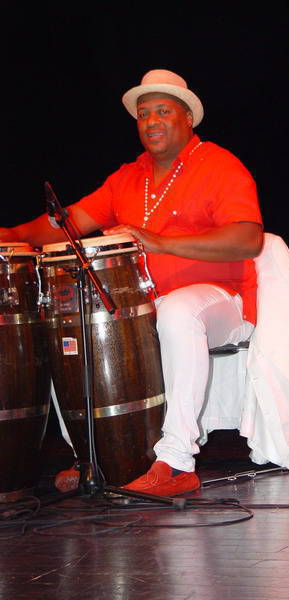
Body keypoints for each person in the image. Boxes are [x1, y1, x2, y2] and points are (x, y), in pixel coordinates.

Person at [0, 69, 264, 496]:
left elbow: (248, 239)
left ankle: (176, 461)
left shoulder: (218, 165)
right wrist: (11, 234)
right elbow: (67, 223)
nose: (151, 121)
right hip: (147, 306)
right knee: (74, 324)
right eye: (143, 114)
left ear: (187, 118)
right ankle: (90, 456)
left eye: (163, 111)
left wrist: (159, 241)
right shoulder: (128, 177)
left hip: (222, 301)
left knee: (178, 310)